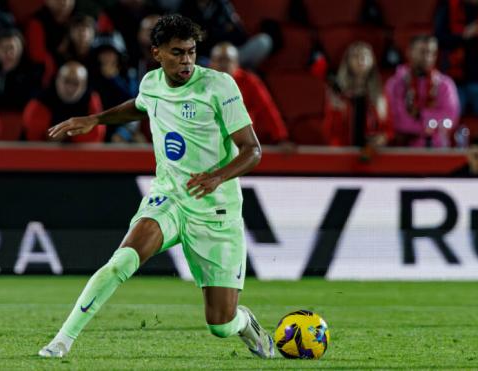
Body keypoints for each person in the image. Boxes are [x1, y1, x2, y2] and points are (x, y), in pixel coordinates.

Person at [38, 14, 274, 359]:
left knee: (220, 324)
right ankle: (61, 341)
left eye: (192, 52)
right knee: (121, 262)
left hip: (216, 210)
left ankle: (245, 323)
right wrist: (95, 119)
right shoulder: (151, 83)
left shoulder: (218, 87)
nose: (187, 60)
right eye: (177, 53)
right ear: (157, 53)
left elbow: (252, 150)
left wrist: (217, 177)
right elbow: (138, 106)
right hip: (171, 198)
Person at [210, 42, 294, 150]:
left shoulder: (249, 82)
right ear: (211, 63)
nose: (223, 65)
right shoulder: (201, 82)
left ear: (236, 64)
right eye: (219, 60)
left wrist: (281, 138)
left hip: (241, 142)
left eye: (227, 60)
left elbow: (267, 109)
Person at [385, 35, 460, 148]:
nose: (427, 57)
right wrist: (430, 126)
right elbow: (398, 122)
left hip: (438, 149)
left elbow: (450, 118)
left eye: (432, 53)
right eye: (422, 52)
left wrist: (420, 114)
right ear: (409, 52)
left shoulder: (445, 84)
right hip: (403, 150)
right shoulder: (395, 84)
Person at [323, 41, 393, 153]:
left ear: (372, 61)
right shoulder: (337, 93)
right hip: (342, 151)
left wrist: (384, 137)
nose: (361, 59)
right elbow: (330, 130)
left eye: (366, 55)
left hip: (372, 152)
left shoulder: (380, 94)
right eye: (356, 56)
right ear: (347, 61)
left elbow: (388, 127)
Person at [23, 61, 105, 142]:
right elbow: (33, 137)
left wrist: (66, 135)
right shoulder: (41, 100)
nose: (70, 87)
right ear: (58, 80)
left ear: (84, 85)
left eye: (76, 83)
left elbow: (96, 134)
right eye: (67, 81)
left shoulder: (91, 99)